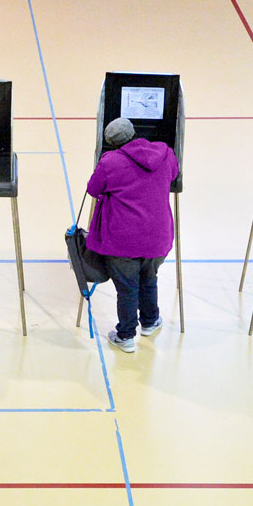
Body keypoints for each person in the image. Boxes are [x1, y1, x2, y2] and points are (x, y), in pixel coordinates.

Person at [85, 117, 179, 353]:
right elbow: (174, 174)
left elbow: (93, 189)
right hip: (157, 237)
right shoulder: (165, 153)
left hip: (122, 240)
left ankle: (125, 335)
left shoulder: (110, 162)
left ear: (111, 143)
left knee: (127, 288)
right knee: (149, 276)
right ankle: (150, 321)